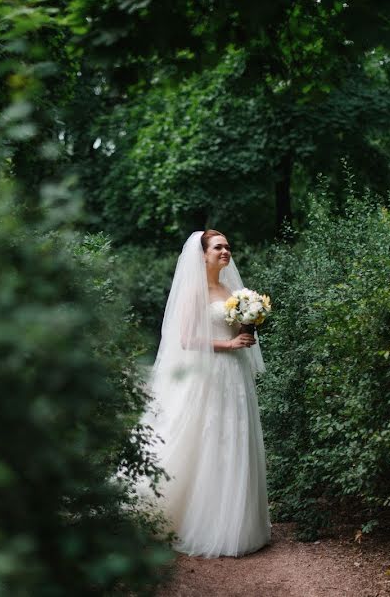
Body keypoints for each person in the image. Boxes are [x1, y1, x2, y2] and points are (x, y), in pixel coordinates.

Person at [133, 229, 272, 558]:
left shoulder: (231, 289)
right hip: (209, 373)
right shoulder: (193, 292)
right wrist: (229, 343)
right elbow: (186, 339)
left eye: (227, 245)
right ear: (203, 254)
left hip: (235, 374)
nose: (225, 251)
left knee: (234, 437)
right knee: (210, 438)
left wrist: (247, 327)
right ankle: (200, 519)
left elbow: (233, 327)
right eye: (218, 247)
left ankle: (238, 522)